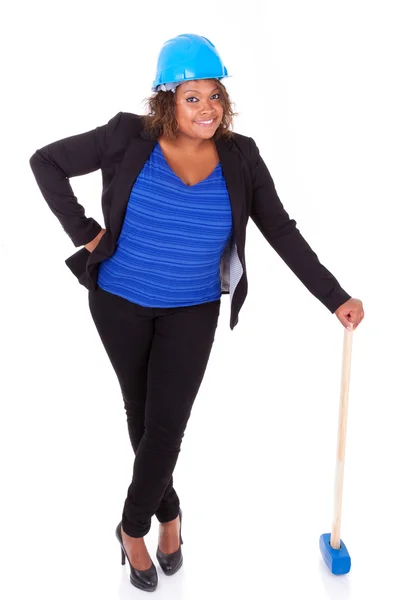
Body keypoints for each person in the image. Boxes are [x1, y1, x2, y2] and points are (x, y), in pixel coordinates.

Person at [29, 33, 364, 593]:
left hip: (192, 309)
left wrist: (335, 296)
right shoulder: (126, 135)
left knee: (166, 426)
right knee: (143, 417)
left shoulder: (241, 155)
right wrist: (86, 233)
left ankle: (131, 528)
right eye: (192, 97)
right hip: (117, 302)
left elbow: (280, 230)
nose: (207, 108)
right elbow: (45, 163)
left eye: (215, 95)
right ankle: (171, 517)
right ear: (167, 100)